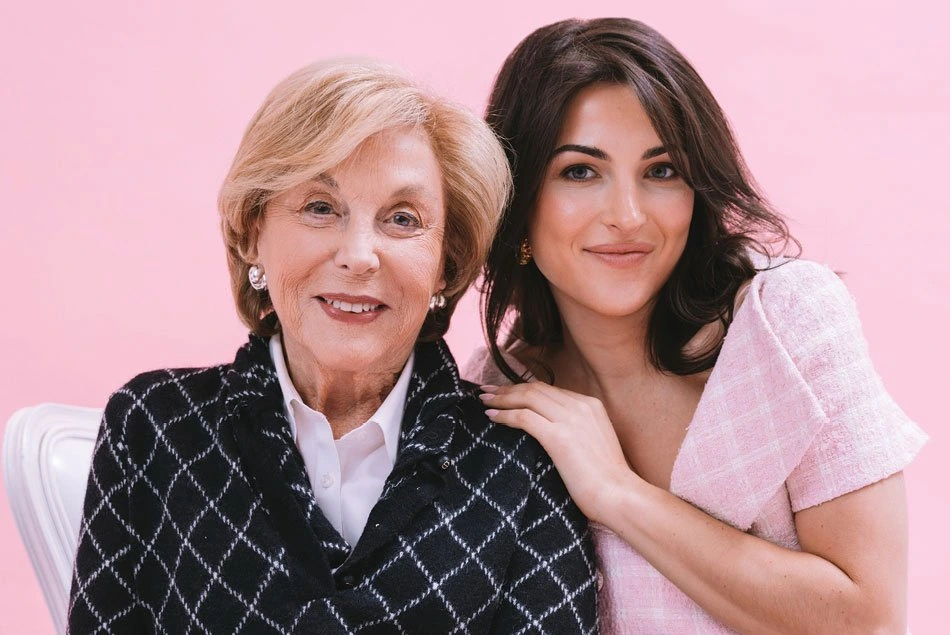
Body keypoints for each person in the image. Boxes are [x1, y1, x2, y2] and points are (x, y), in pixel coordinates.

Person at [67, 59, 597, 634]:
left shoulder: (521, 464)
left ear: (447, 263)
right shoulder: (155, 426)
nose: (358, 254)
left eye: (402, 218)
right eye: (320, 208)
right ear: (252, 233)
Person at [465, 18, 928, 634]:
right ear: (518, 201)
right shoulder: (504, 392)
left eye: (662, 171)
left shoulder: (783, 325)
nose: (628, 217)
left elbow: (868, 622)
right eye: (580, 171)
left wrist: (616, 493)